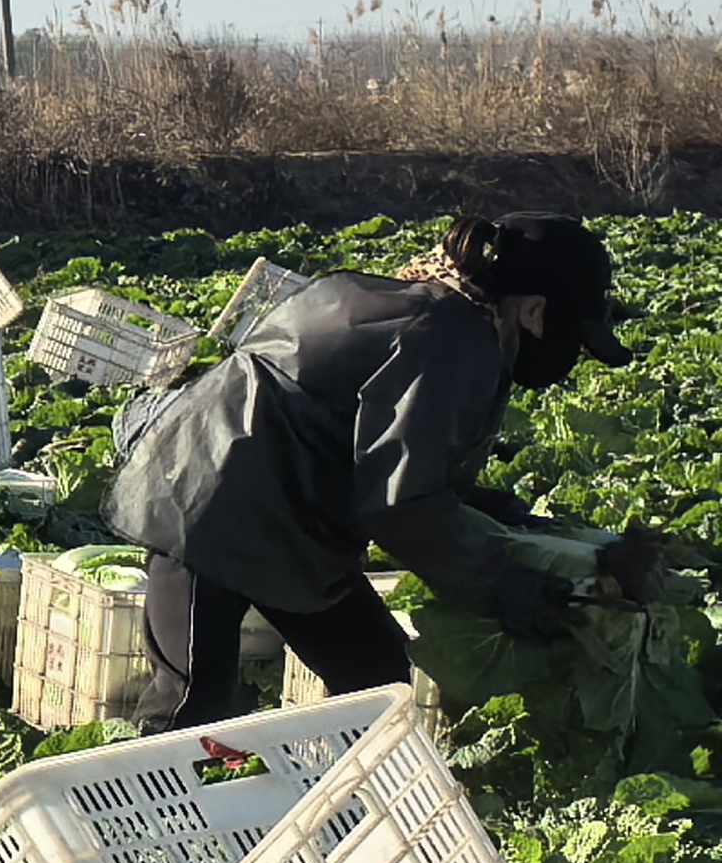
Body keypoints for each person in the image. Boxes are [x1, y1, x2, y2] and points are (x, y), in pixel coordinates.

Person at [108, 213, 658, 725]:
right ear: (535, 311)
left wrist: (515, 521)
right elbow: (404, 507)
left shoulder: (437, 312)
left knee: (377, 686)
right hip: (206, 500)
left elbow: (407, 470)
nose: (568, 355)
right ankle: (134, 799)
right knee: (188, 703)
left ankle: (343, 795)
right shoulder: (449, 339)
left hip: (293, 520)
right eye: (572, 337)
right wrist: (505, 584)